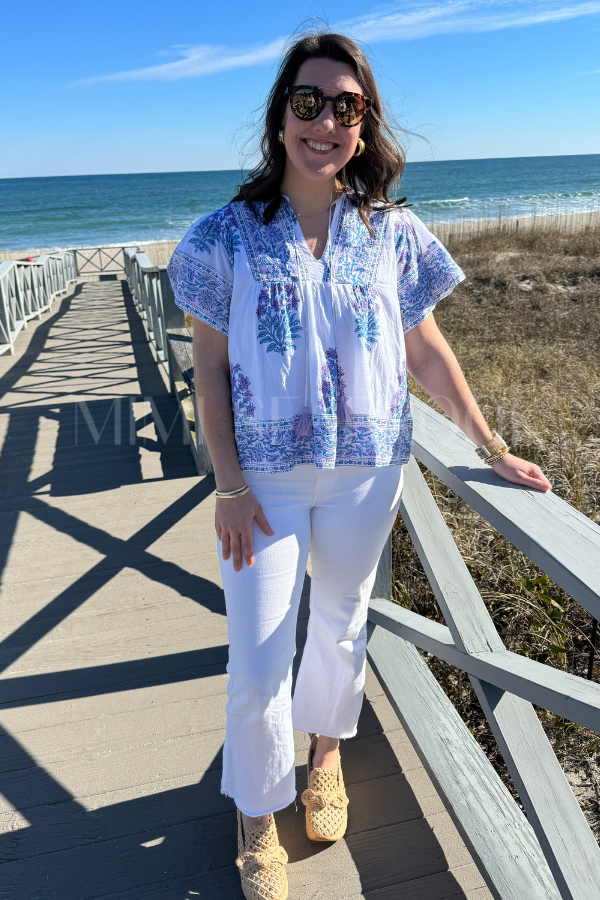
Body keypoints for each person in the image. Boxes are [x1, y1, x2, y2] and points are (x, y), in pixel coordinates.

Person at [168, 31, 551, 900]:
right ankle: (256, 814)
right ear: (280, 118)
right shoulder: (222, 236)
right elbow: (211, 374)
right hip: (260, 487)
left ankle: (326, 759)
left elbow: (426, 351)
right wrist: (226, 485)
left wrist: (492, 447)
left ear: (364, 123)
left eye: (346, 106)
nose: (326, 122)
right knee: (259, 659)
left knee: (339, 628)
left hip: (368, 470)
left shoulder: (392, 232)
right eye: (309, 102)